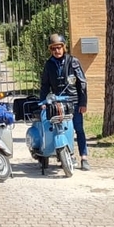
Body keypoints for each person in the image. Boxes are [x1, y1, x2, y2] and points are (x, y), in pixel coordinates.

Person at [39, 32, 89, 170]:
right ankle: (65, 155)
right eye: (54, 48)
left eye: (59, 47)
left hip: (74, 101)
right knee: (60, 129)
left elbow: (82, 82)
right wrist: (43, 102)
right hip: (58, 103)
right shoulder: (49, 64)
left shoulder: (73, 61)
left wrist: (83, 103)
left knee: (78, 129)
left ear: (64, 47)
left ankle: (84, 157)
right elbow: (45, 85)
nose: (57, 51)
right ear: (51, 50)